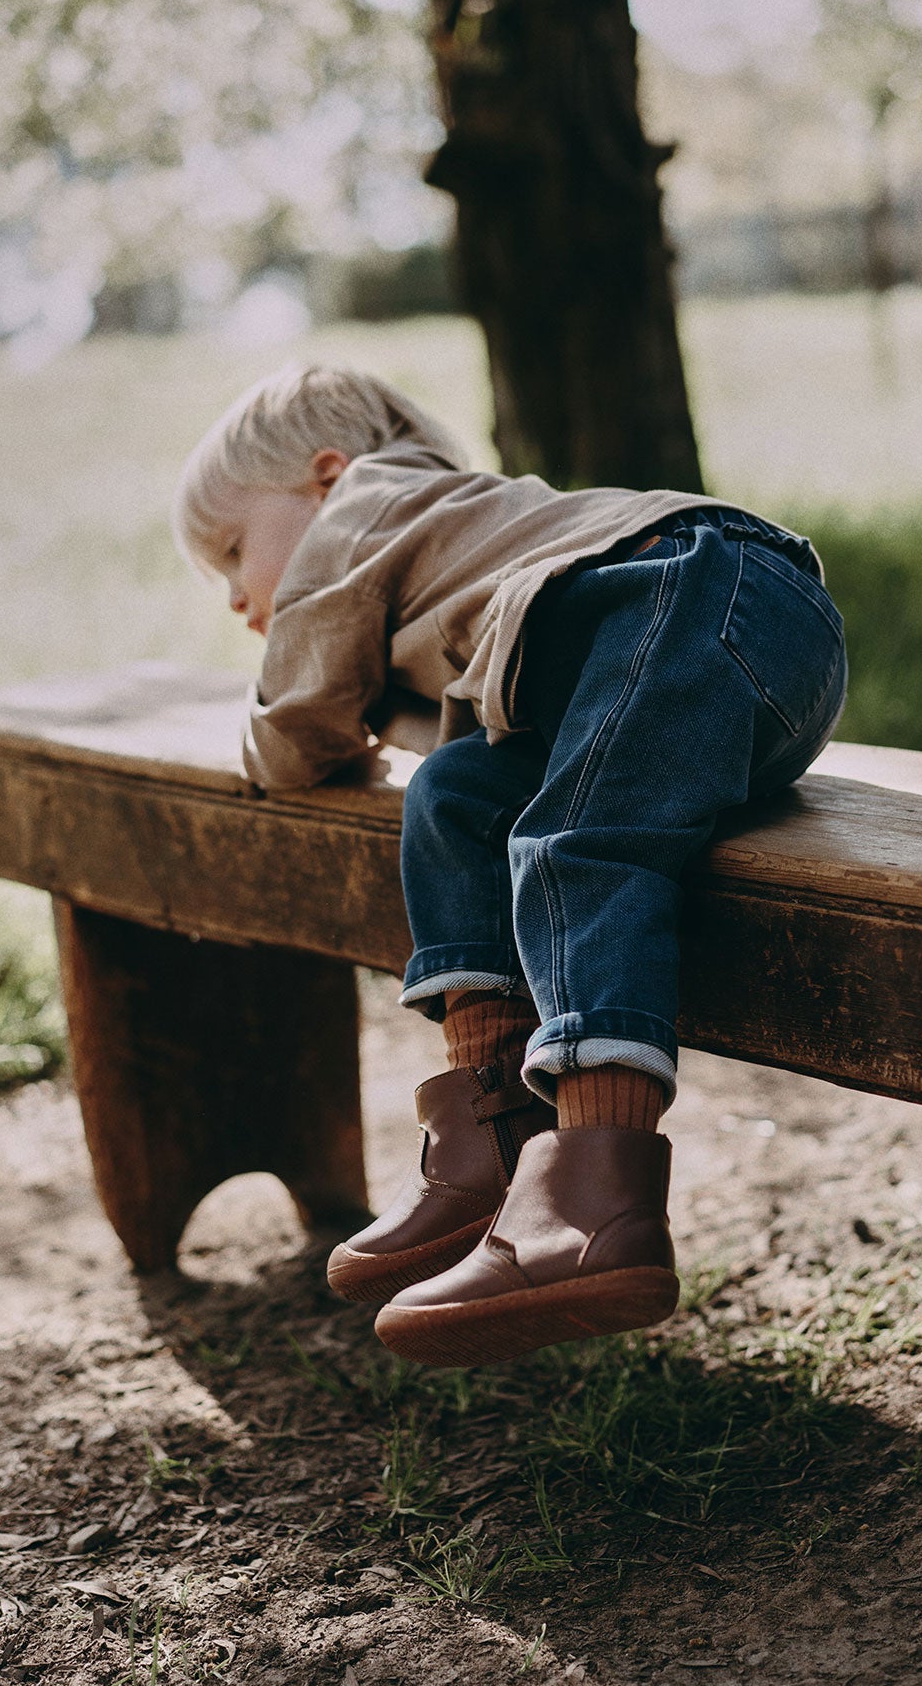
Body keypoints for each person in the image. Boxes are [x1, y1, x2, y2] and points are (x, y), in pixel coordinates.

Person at [173, 364, 847, 1368]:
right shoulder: (456, 543)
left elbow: (294, 727)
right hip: (740, 660)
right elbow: (436, 739)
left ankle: (595, 1201)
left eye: (233, 550)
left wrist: (288, 737)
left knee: (580, 842)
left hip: (691, 587)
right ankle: (489, 1132)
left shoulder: (360, 512)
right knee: (456, 795)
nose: (235, 596)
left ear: (324, 476)